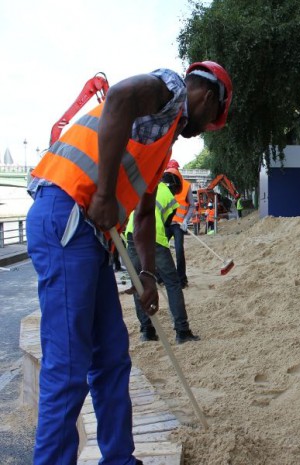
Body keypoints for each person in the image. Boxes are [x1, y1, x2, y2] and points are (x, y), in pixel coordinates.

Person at [25, 60, 232, 465]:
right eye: (211, 120)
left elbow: (143, 217)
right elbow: (118, 96)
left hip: (92, 236)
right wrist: (103, 193)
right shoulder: (170, 92)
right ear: (207, 98)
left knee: (111, 357)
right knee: (68, 366)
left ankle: (120, 458)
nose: (204, 128)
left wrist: (148, 276)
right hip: (69, 211)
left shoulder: (163, 142)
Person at [125, 173, 200, 344]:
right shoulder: (169, 196)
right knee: (172, 283)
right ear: (174, 187)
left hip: (131, 235)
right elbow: (166, 225)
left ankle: (147, 331)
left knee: (139, 284)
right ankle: (182, 331)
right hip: (154, 237)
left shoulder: (145, 185)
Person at [164, 160, 194, 288]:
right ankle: (161, 277)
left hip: (179, 225)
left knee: (179, 251)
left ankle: (182, 279)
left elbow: (192, 206)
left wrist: (186, 220)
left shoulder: (186, 186)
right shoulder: (163, 185)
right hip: (166, 223)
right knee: (161, 249)